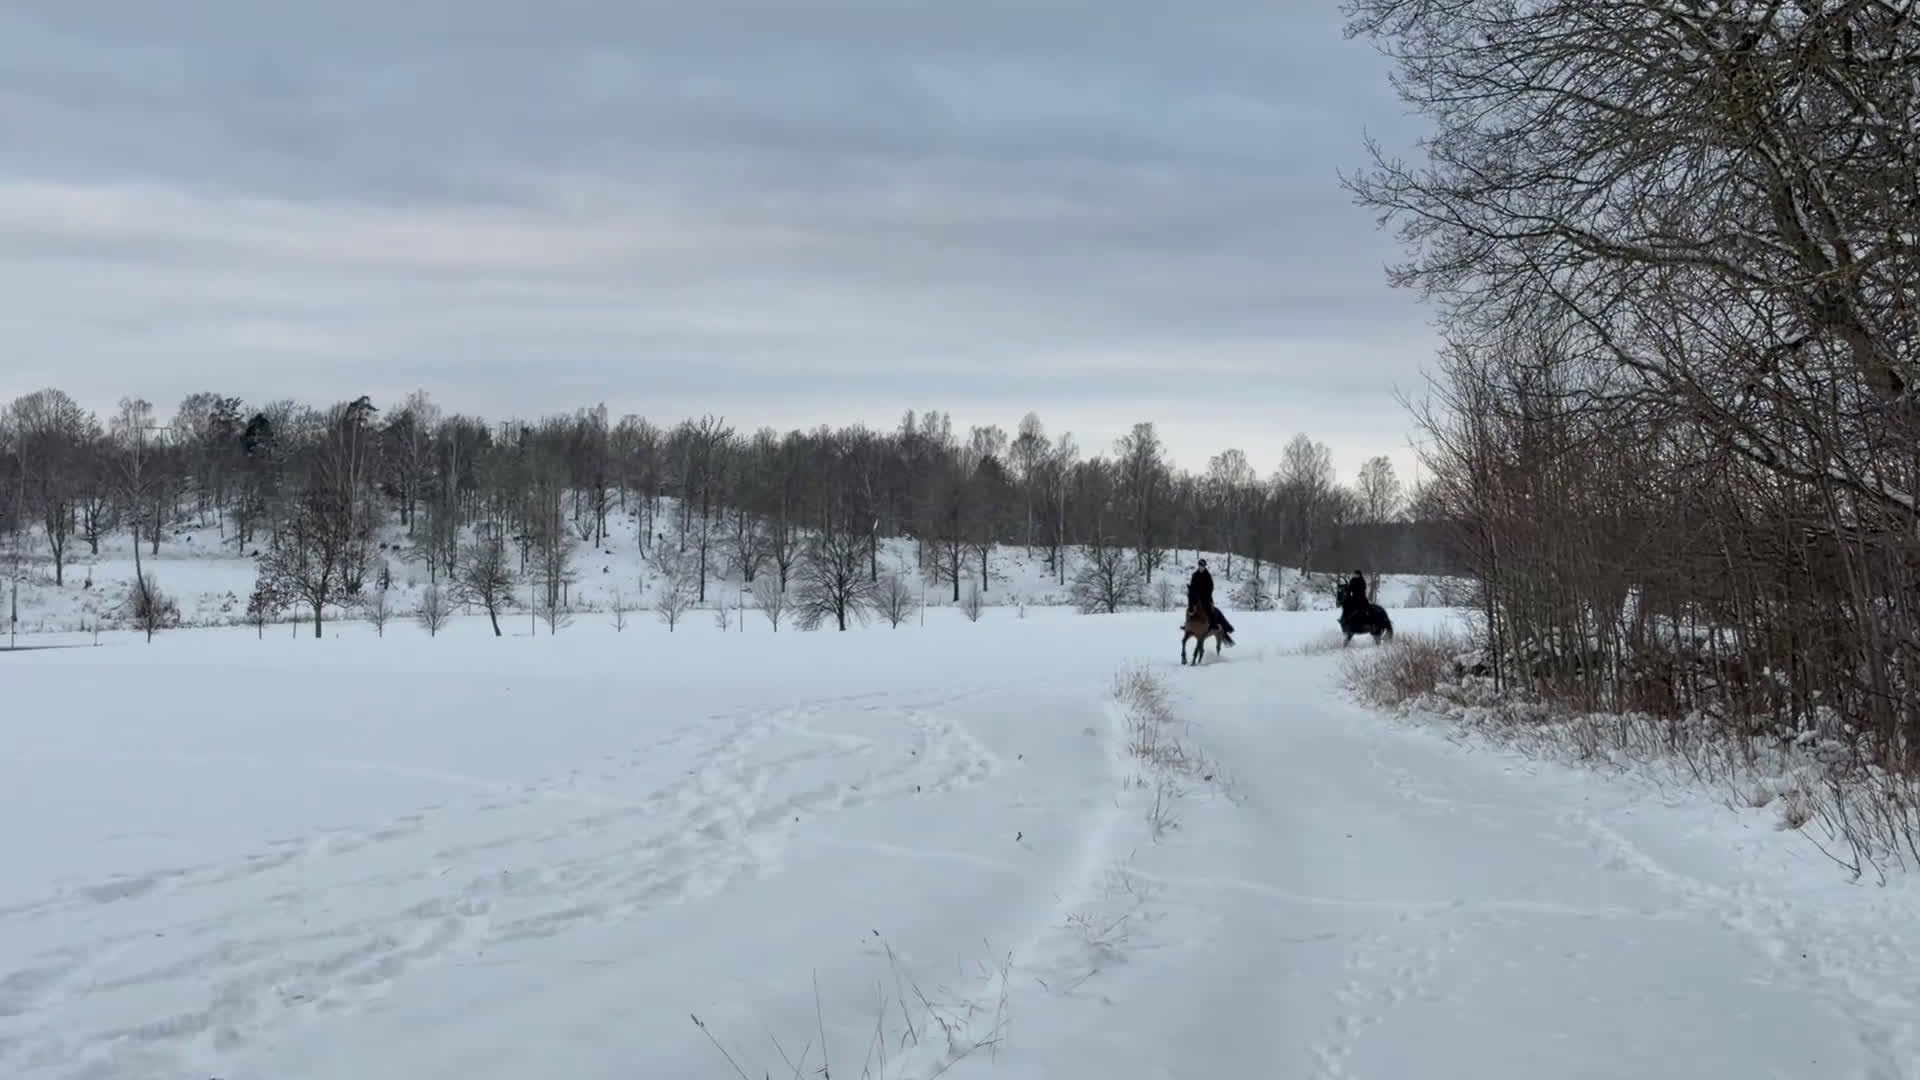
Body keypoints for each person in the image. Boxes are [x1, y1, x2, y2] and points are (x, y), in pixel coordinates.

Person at [1187, 559, 1235, 645]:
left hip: (1206, 598)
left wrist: (1204, 594)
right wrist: (1192, 591)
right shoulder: (1194, 575)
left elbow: (1210, 587)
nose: (1201, 567)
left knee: (1209, 609)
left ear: (1205, 566)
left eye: (1202, 566)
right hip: (1195, 598)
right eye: (1200, 566)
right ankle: (1188, 624)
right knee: (1189, 609)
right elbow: (1192, 585)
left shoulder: (1207, 576)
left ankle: (1213, 625)